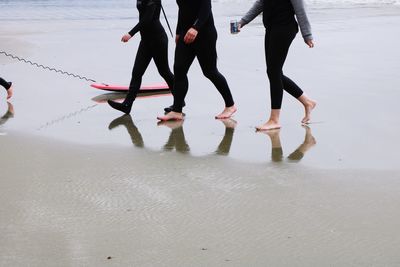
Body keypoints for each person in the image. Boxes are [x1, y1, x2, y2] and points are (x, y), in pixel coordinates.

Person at [238, 0, 316, 131]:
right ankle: (307, 102)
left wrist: (307, 35)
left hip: (285, 28)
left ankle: (274, 120)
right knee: (273, 72)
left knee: (274, 71)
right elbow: (261, 3)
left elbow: (301, 10)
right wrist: (243, 21)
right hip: (271, 29)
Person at [157, 0, 237, 121]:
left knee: (210, 71)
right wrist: (178, 31)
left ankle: (230, 105)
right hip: (186, 33)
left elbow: (206, 7)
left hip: (205, 33)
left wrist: (196, 27)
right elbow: (182, 9)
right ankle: (177, 111)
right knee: (179, 69)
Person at [107, 0, 174, 114]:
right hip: (146, 41)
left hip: (158, 39)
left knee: (164, 71)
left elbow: (147, 19)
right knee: (137, 72)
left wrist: (130, 33)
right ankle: (127, 105)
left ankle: (179, 101)